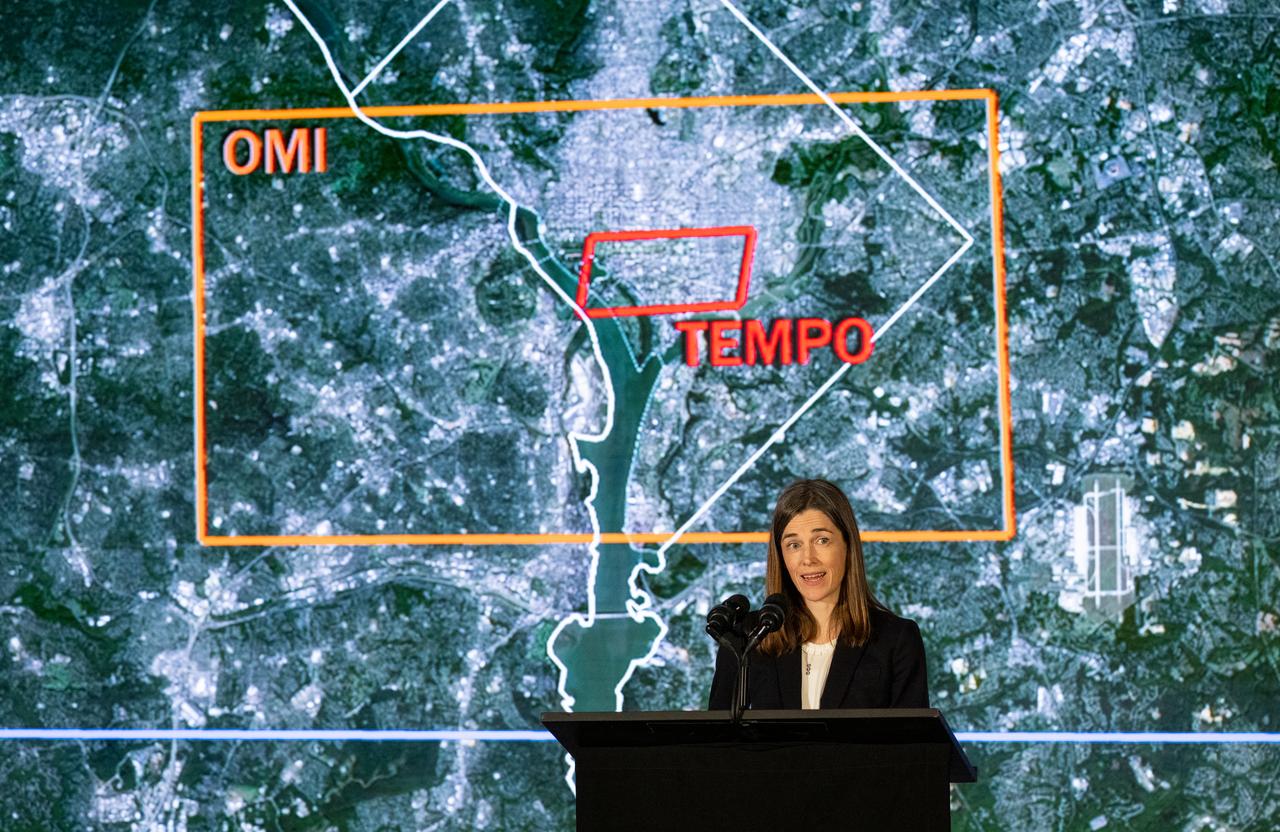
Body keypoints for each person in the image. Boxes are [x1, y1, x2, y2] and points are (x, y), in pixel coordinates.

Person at [707, 478, 929, 710]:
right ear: (781, 556)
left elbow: (912, 734)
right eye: (794, 545)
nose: (808, 559)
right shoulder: (746, 640)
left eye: (822, 540)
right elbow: (716, 731)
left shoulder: (896, 640)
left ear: (847, 545)